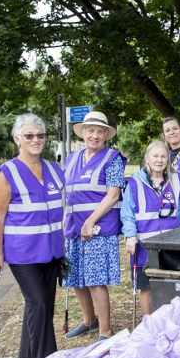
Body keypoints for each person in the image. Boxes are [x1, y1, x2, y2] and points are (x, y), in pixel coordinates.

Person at [0, 113, 64, 358]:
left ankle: (26, 357)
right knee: (38, 301)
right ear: (17, 139)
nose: (35, 140)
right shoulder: (5, 174)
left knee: (44, 305)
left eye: (40, 135)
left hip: (52, 250)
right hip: (23, 254)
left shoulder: (54, 169)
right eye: (29, 135)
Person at [62, 111, 126, 341]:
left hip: (98, 228)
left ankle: (105, 331)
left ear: (106, 135)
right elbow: (67, 195)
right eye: (91, 130)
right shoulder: (71, 159)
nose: (95, 135)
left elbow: (113, 195)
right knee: (76, 277)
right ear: (83, 133)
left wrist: (90, 221)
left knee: (95, 279)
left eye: (100, 131)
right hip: (73, 227)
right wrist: (63, 223)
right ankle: (89, 321)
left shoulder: (113, 158)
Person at [121, 140, 180, 315]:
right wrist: (130, 236)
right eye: (155, 156)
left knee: (172, 285)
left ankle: (171, 322)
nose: (159, 160)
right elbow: (127, 214)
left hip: (172, 245)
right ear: (147, 158)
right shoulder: (134, 182)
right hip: (145, 245)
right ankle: (150, 324)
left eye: (163, 156)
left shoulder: (176, 180)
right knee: (146, 287)